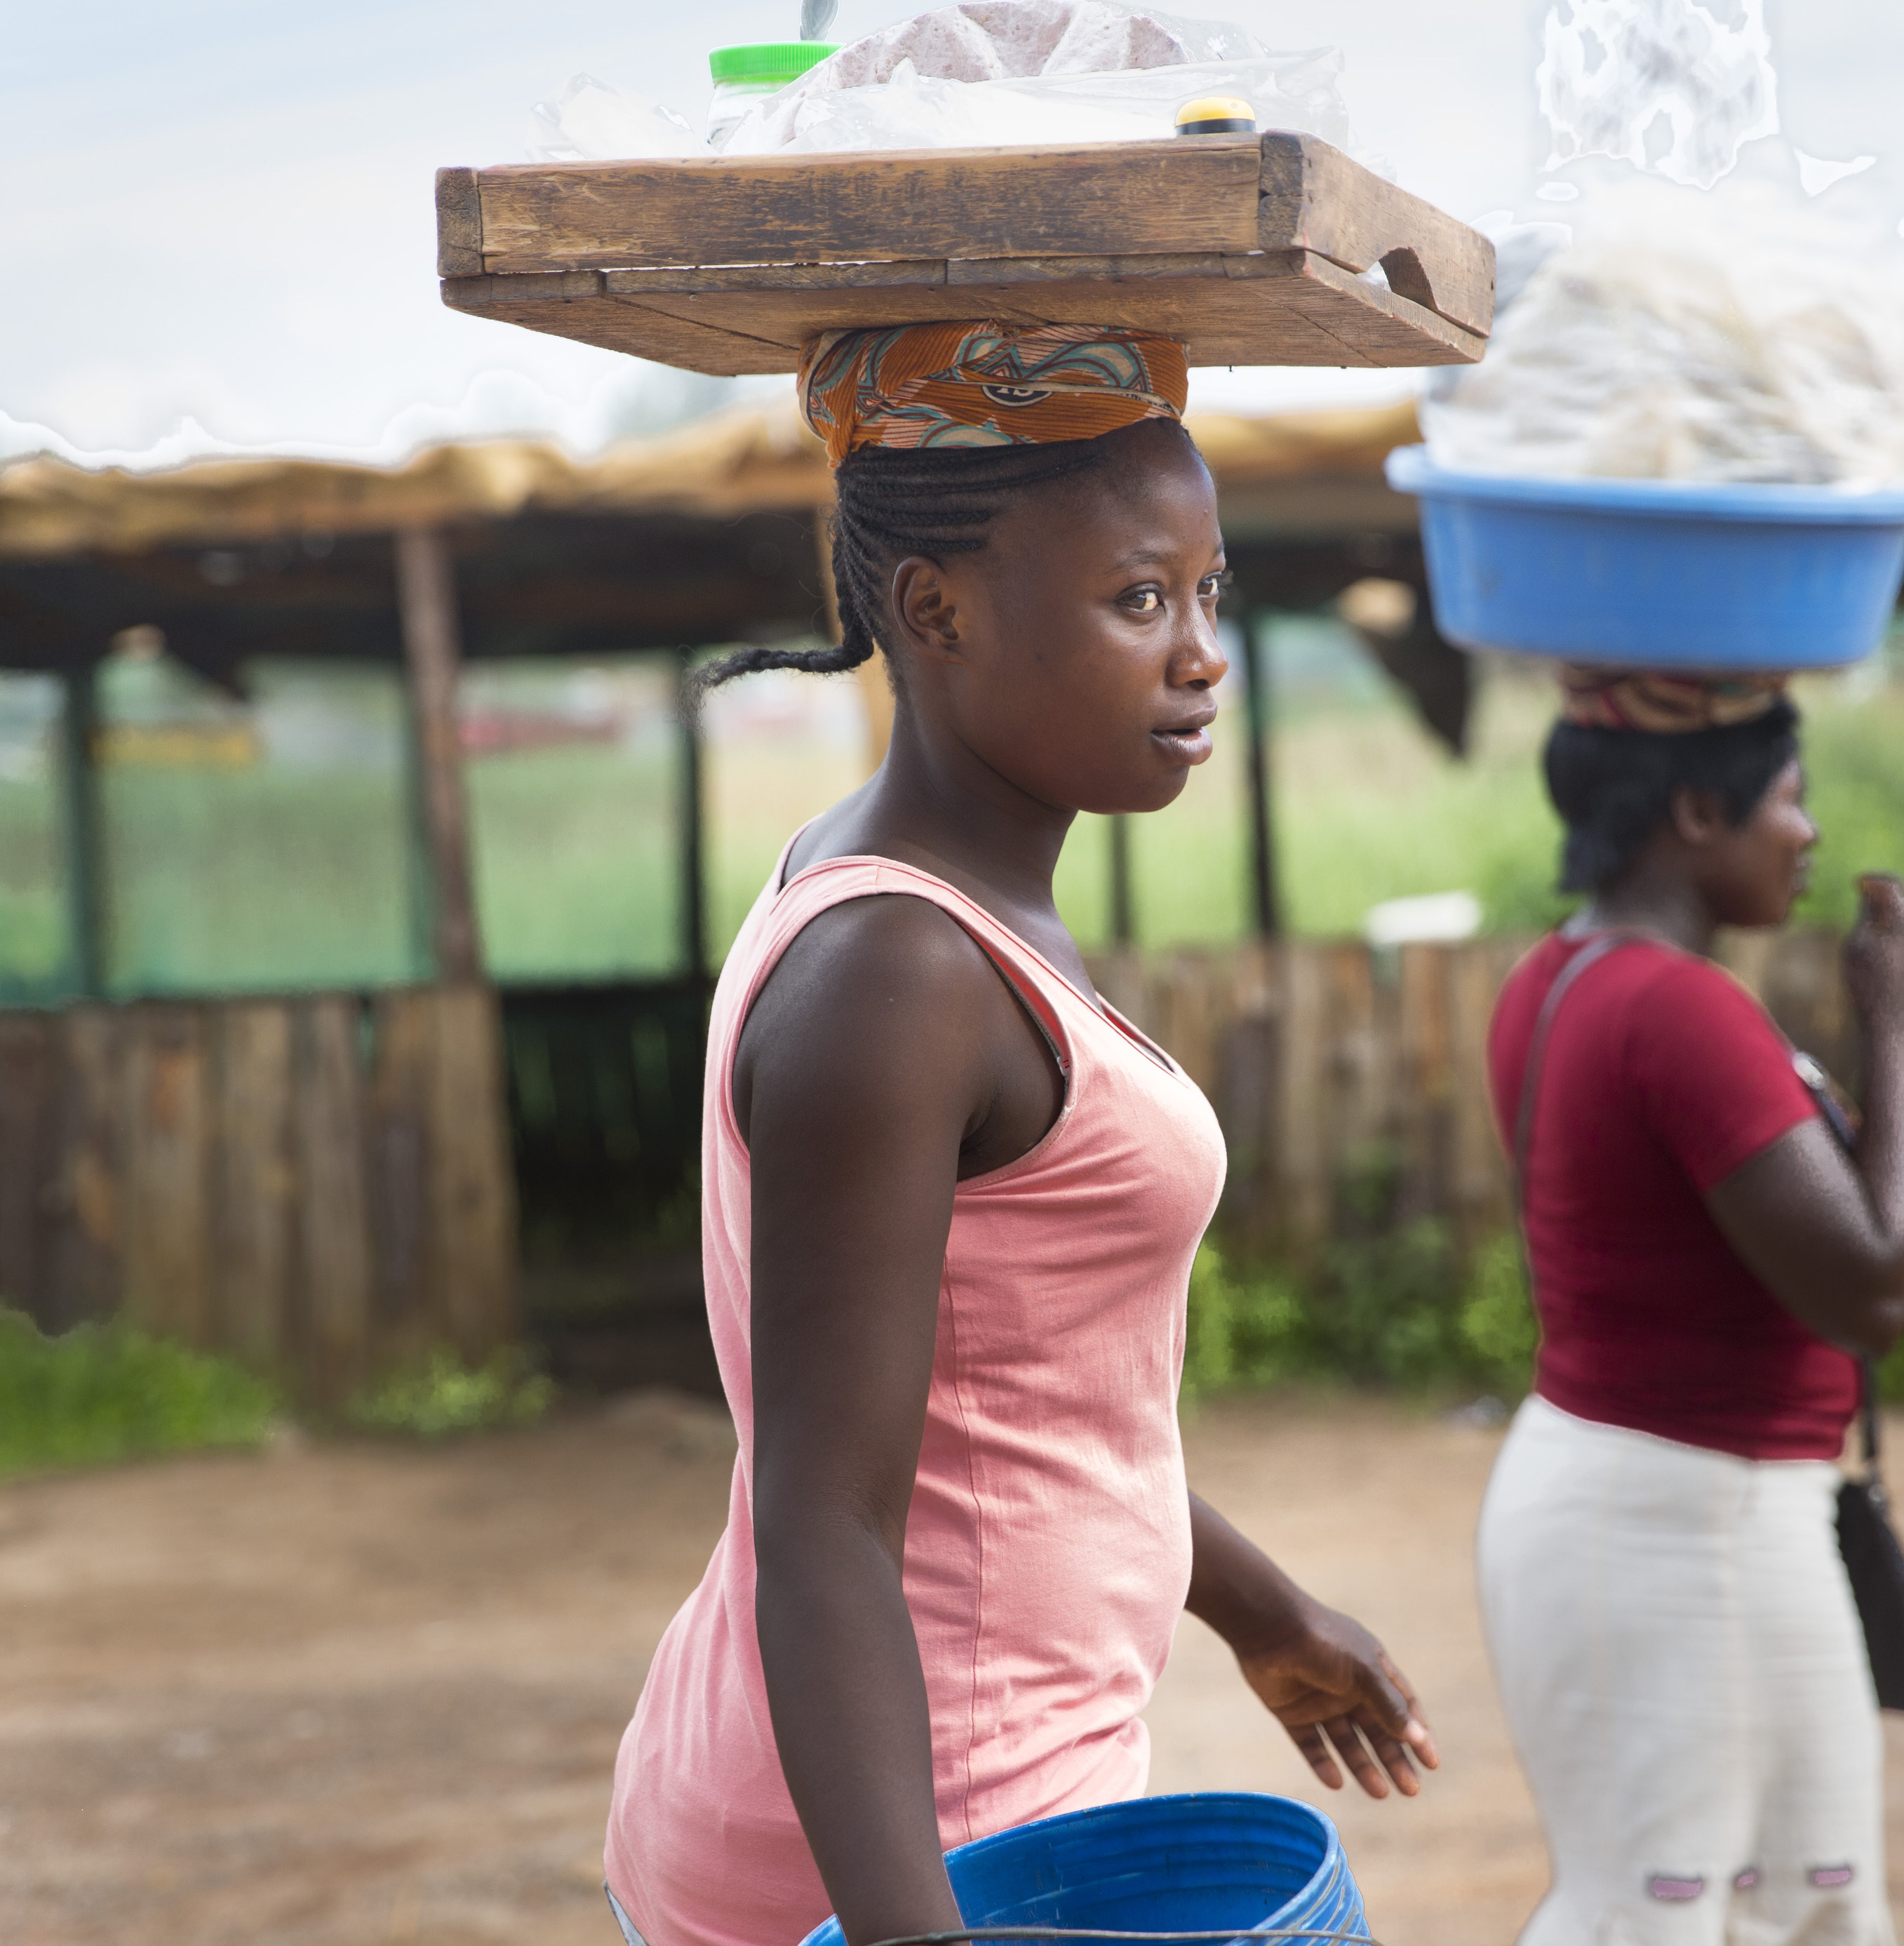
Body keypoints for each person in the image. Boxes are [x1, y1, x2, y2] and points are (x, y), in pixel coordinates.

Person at [603, 320, 1438, 1946]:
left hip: (973, 1794)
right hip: (918, 1850)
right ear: (937, 610)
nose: (1199, 654)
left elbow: (1017, 1407)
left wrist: (1258, 1610)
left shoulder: (918, 901)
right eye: (1139, 600)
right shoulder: (894, 972)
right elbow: (822, 1515)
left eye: (1209, 596)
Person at [1476, 665, 1904, 1946]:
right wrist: (1893, 1023)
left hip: (1661, 1509)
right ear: (1694, 812)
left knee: (1797, 1909)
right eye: (1789, 798)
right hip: (1684, 1531)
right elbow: (1875, 1289)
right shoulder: (1678, 1010)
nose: (1811, 833)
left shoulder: (1558, 976)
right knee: (1664, 1917)